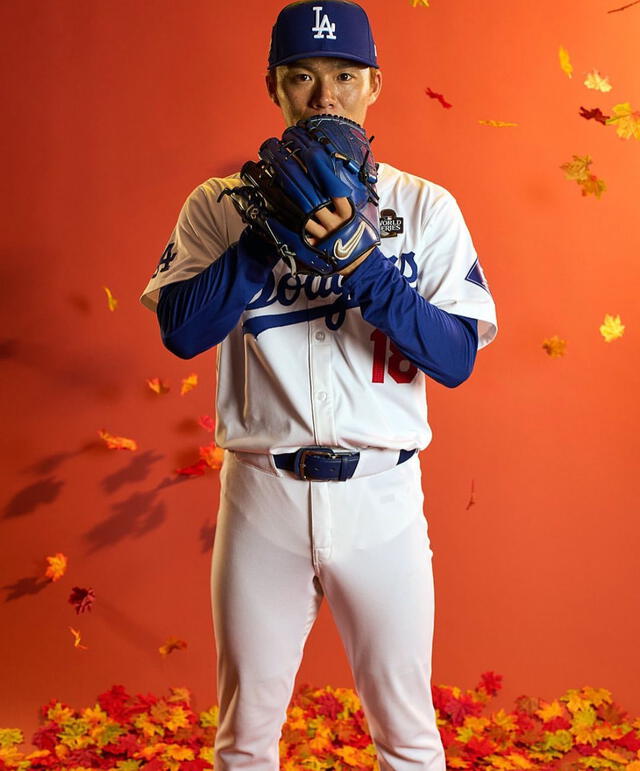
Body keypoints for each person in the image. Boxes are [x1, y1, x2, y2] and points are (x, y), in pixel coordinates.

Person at [140, 1, 498, 768]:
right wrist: (259, 235)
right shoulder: (219, 203)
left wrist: (365, 269)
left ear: (375, 84)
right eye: (302, 76)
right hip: (261, 497)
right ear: (274, 86)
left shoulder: (426, 208)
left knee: (406, 735)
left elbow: (457, 355)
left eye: (344, 76)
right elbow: (181, 330)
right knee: (244, 741)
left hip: (383, 498)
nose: (324, 96)